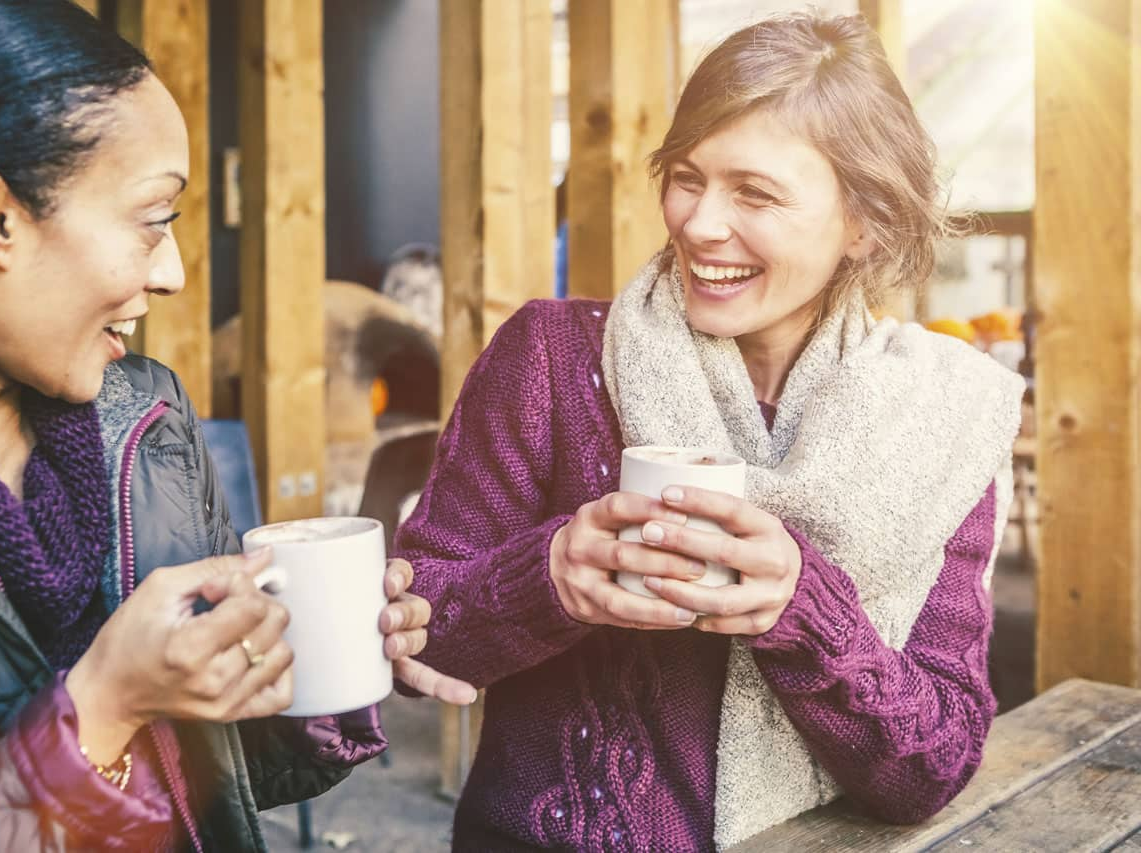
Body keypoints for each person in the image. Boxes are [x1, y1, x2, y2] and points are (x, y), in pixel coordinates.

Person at [394, 12, 1022, 851]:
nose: (697, 224)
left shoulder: (942, 418)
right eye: (687, 177)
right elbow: (419, 629)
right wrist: (550, 576)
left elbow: (932, 767)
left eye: (754, 193)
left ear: (864, 223)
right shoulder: (550, 358)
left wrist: (799, 607)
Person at [0, 1, 474, 850]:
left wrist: (324, 665)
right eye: (153, 220)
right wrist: (105, 707)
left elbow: (226, 772)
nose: (175, 273)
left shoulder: (144, 419)